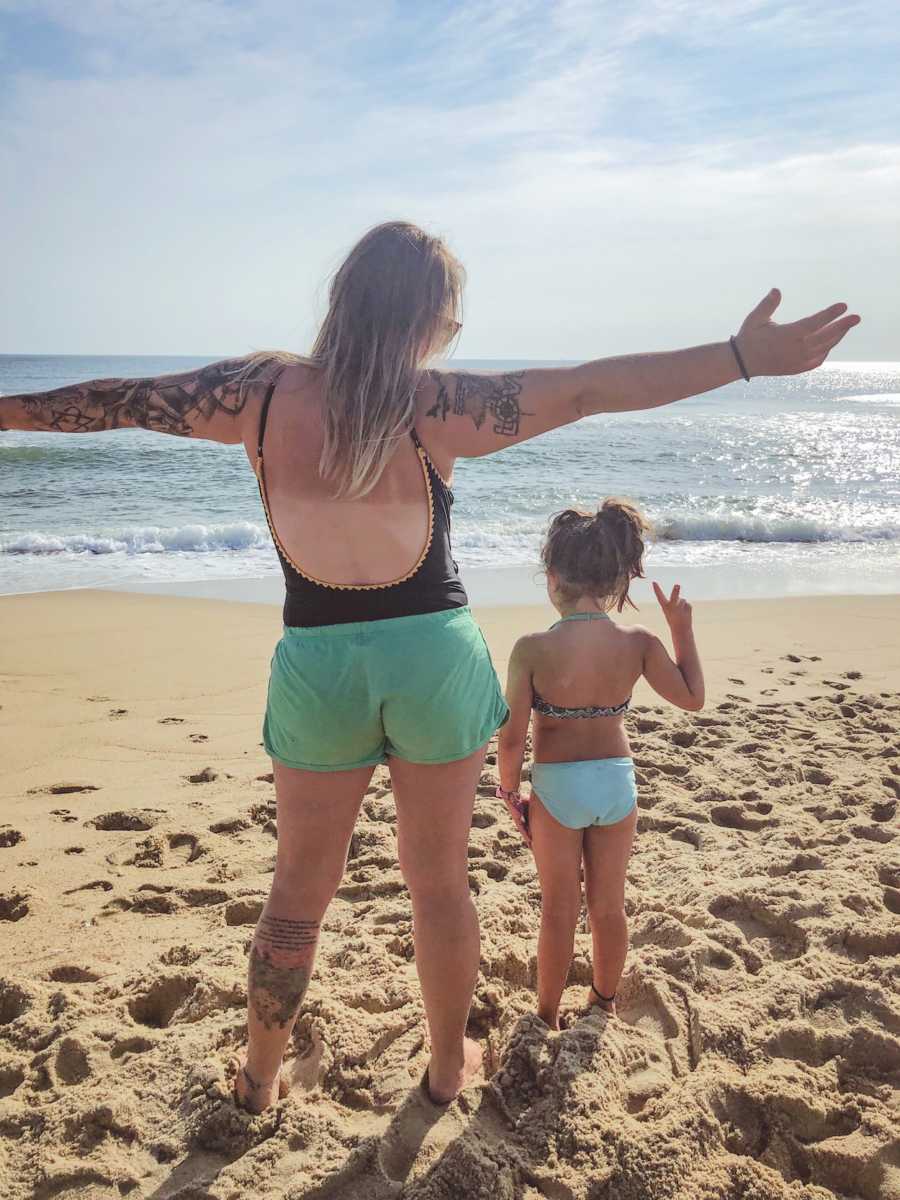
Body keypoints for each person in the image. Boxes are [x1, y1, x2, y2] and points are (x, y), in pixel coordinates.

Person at [0, 221, 859, 1110]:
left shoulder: (250, 393)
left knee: (297, 887)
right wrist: (737, 358)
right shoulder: (436, 404)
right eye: (448, 322)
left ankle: (256, 1080)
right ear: (424, 319)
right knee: (438, 881)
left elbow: (116, 401)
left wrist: (3, 408)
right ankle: (448, 1071)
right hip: (435, 662)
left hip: (319, 667)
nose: (450, 338)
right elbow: (591, 388)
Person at [497, 501, 703, 1029]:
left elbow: (513, 738)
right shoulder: (636, 643)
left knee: (558, 908)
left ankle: (546, 1013)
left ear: (553, 577)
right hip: (616, 784)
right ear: (615, 578)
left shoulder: (533, 649)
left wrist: (509, 793)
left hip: (557, 788)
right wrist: (680, 629)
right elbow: (691, 698)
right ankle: (605, 1000)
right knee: (609, 906)